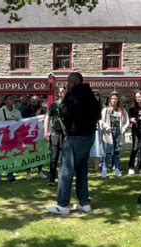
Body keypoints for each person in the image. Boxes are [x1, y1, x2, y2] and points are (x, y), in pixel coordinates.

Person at [47, 72, 100, 215]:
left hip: (75, 136)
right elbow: (98, 114)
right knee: (82, 169)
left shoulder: (72, 94)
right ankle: (84, 203)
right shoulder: (91, 95)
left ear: (74, 82)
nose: (67, 85)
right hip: (89, 136)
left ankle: (63, 205)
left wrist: (60, 109)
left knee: (66, 171)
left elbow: (63, 112)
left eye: (68, 82)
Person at [0, 95, 21, 184]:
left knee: (11, 157)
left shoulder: (17, 112)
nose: (12, 100)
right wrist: (4, 123)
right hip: (2, 138)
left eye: (13, 99)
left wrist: (18, 121)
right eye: (10, 99)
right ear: (5, 101)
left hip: (13, 139)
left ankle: (10, 176)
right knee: (0, 157)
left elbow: (22, 124)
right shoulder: (0, 112)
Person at [99, 92, 129, 178]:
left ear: (118, 100)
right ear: (110, 100)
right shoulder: (106, 110)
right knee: (108, 152)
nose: (114, 100)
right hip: (109, 132)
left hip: (118, 131)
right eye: (112, 99)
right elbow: (101, 120)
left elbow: (127, 121)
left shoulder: (122, 110)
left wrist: (124, 128)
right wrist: (106, 126)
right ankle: (104, 169)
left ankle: (117, 169)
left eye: (115, 99)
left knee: (117, 151)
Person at [44, 87, 67, 186]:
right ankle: (52, 179)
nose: (62, 93)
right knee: (54, 158)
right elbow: (47, 118)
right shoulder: (54, 105)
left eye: (63, 92)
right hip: (55, 133)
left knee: (66, 157)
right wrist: (46, 131)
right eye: (60, 92)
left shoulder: (70, 105)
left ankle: (64, 178)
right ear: (58, 94)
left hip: (66, 134)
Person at [21, 95, 47, 180]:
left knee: (40, 153)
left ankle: (40, 171)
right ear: (30, 101)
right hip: (29, 136)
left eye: (36, 100)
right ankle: (28, 173)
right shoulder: (26, 111)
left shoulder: (42, 110)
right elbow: (24, 122)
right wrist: (36, 115)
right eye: (33, 100)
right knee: (29, 154)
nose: (35, 102)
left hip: (40, 135)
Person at [89, 92, 105, 171]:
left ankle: (96, 167)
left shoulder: (101, 107)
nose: (96, 97)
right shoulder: (87, 106)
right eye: (94, 95)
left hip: (97, 129)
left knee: (97, 148)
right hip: (88, 129)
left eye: (97, 95)